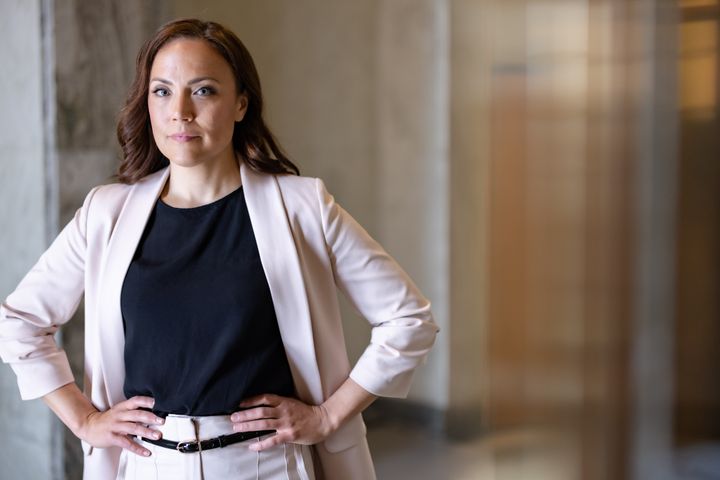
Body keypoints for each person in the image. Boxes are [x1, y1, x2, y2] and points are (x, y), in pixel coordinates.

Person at [0, 18, 437, 480]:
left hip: (266, 464)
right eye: (162, 91)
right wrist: (84, 420)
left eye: (204, 90)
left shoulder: (302, 206)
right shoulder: (105, 214)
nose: (180, 112)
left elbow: (409, 319)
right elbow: (20, 323)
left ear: (241, 103)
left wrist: (328, 416)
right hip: (149, 465)